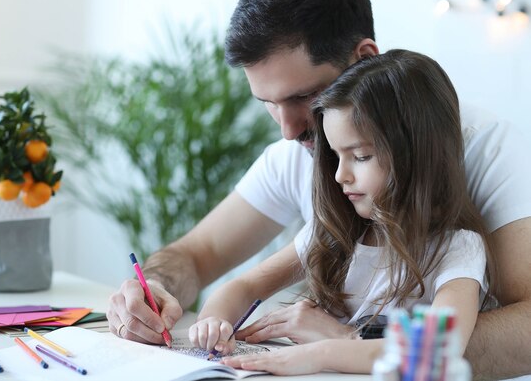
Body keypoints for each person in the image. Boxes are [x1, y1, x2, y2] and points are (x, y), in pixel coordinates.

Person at [107, 0, 531, 379]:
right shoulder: (305, 165)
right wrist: (153, 290)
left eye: (304, 97)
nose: (287, 130)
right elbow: (196, 257)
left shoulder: (484, 150)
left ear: (363, 58)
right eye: (268, 104)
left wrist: (347, 342)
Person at [188, 49, 493, 375]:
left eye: (360, 156)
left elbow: (436, 349)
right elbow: (244, 287)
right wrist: (213, 323)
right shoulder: (333, 232)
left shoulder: (457, 250)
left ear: (417, 157)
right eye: (335, 156)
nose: (340, 176)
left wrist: (324, 350)